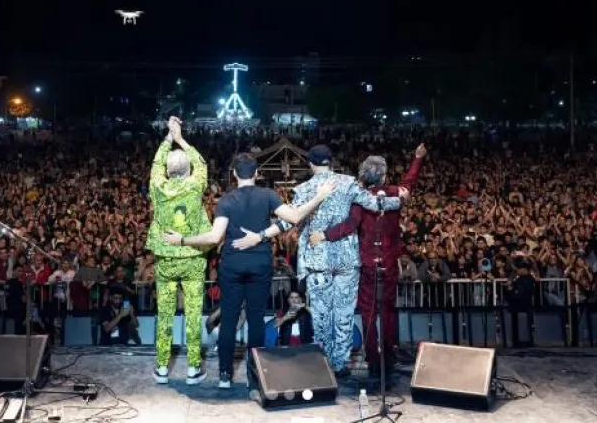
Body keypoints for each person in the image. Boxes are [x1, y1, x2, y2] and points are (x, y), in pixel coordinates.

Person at [164, 152, 336, 388]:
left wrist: (182, 240)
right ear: (256, 173)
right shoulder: (268, 195)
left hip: (232, 265)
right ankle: (255, 377)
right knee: (255, 319)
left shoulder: (226, 199)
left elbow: (214, 237)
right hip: (259, 264)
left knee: (229, 317)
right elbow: (295, 217)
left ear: (234, 174)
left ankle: (225, 375)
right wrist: (320, 196)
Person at [236, 144, 404, 378]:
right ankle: (341, 363)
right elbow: (376, 204)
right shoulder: (349, 183)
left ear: (311, 164)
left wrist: (261, 235)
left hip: (318, 262)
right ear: (331, 161)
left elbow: (288, 222)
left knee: (322, 315)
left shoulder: (305, 189)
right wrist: (399, 199)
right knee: (344, 314)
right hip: (346, 261)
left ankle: (324, 362)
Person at [308, 144, 425, 380]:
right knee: (389, 313)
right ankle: (388, 364)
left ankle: (373, 363)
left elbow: (349, 225)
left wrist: (324, 235)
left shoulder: (359, 197)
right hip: (390, 264)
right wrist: (417, 159)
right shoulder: (395, 192)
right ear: (383, 174)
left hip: (367, 266)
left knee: (369, 315)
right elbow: (409, 182)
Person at [145, 117, 211, 385]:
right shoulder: (195, 185)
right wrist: (181, 138)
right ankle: (193, 369)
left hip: (166, 259)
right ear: (188, 170)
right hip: (193, 256)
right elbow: (202, 163)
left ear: (168, 170)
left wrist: (167, 139)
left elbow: (155, 165)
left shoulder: (158, 187)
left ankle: (162, 368)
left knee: (165, 313)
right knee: (193, 313)